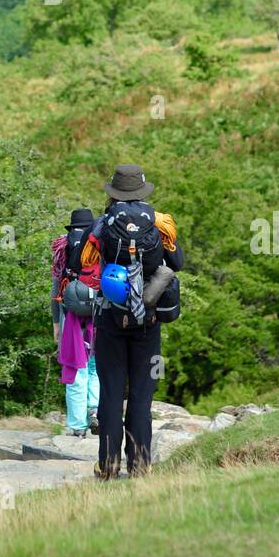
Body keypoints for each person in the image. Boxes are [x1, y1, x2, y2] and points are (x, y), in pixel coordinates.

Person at [85, 164, 184, 478]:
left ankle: (108, 466)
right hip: (148, 323)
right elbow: (178, 263)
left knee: (111, 397)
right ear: (142, 191)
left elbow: (79, 263)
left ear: (114, 192)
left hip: (109, 321)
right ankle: (140, 465)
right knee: (142, 398)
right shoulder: (158, 222)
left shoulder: (104, 224)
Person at [50, 207, 99, 436]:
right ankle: (95, 410)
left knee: (75, 366)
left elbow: (55, 290)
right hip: (98, 313)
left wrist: (56, 323)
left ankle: (77, 425)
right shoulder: (100, 246)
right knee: (95, 366)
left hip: (70, 316)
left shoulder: (62, 249)